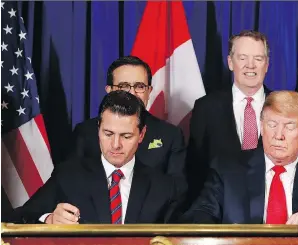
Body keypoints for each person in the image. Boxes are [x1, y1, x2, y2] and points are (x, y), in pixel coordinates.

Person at [179, 91, 298, 225]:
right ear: (261, 126)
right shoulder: (227, 170)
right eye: (272, 124)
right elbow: (198, 214)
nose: (279, 134)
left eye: (290, 126)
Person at [16, 91, 182, 224]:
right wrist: (49, 219)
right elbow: (19, 217)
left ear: (141, 135)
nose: (115, 144)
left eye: (126, 136)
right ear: (98, 129)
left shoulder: (163, 188)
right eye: (108, 134)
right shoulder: (69, 176)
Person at [71, 56, 187, 196]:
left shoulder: (170, 135)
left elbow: (177, 191)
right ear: (109, 90)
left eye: (139, 86)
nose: (132, 93)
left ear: (149, 91)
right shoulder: (84, 132)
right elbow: (70, 184)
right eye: (123, 86)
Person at [186, 30, 271, 205]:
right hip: (218, 210)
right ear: (230, 62)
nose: (250, 65)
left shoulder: (283, 106)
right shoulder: (206, 108)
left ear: (267, 64)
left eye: (258, 58)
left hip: (270, 208)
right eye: (243, 58)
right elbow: (195, 167)